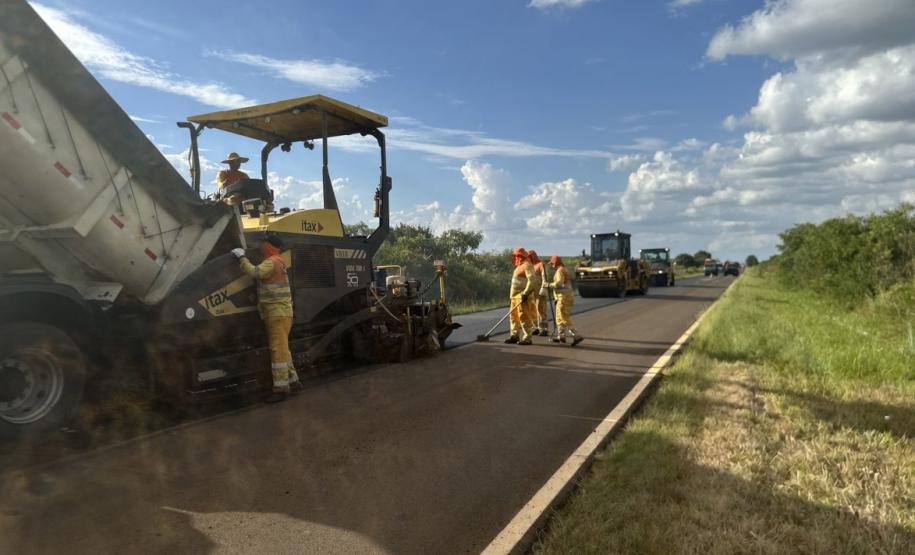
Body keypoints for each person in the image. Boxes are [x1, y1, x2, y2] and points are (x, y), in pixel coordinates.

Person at [232, 233, 301, 402]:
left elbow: (254, 272)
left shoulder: (272, 262)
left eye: (264, 244)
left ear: (269, 246)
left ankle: (281, 388)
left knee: (277, 351)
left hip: (276, 313)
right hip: (281, 313)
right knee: (283, 349)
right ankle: (293, 381)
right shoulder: (279, 261)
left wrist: (241, 257)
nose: (262, 247)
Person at [549, 255, 583, 346]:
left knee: (564, 317)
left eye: (552, 263)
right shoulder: (564, 269)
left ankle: (576, 335)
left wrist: (548, 285)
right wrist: (556, 297)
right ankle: (561, 336)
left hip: (564, 297)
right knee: (559, 317)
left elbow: (559, 284)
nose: (551, 265)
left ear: (555, 263)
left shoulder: (560, 271)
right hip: (564, 297)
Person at [506, 247, 536, 345]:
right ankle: (514, 336)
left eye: (517, 255)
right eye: (515, 255)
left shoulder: (527, 265)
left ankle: (527, 338)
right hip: (514, 297)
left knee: (524, 317)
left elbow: (532, 280)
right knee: (513, 317)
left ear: (521, 256)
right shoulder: (519, 266)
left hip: (522, 296)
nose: (515, 257)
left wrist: (525, 293)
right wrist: (511, 297)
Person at [527, 250, 549, 336]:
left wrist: (544, 287)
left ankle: (544, 329)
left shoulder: (541, 265)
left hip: (540, 292)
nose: (528, 259)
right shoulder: (531, 266)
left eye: (529, 257)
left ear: (533, 256)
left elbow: (544, 277)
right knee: (533, 310)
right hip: (532, 292)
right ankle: (536, 327)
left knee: (541, 310)